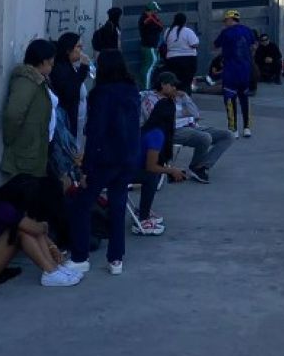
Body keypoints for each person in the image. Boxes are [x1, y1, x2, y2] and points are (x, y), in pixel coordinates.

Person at [64, 50, 141, 277]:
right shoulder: (132, 90)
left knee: (82, 204)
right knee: (117, 206)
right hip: (128, 157)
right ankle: (116, 258)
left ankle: (80, 257)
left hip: (105, 158)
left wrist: (87, 166)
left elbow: (96, 132)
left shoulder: (101, 94)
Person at [0, 176, 81, 287]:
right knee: (22, 232)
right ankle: (50, 271)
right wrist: (44, 226)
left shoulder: (5, 203)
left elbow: (34, 228)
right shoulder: (3, 208)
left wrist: (52, 246)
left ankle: (54, 268)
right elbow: (35, 228)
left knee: (27, 228)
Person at [142, 71, 234, 184]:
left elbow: (195, 114)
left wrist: (185, 97)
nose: (175, 88)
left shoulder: (179, 96)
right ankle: (196, 167)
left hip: (192, 125)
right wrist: (182, 113)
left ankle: (202, 167)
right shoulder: (150, 99)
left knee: (228, 135)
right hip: (172, 130)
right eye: (172, 85)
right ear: (163, 85)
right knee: (205, 138)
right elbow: (157, 119)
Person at [1, 39, 57, 178]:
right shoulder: (26, 82)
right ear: (43, 62)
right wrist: (10, 138)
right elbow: (13, 114)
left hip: (35, 152)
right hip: (25, 155)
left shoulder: (39, 81)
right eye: (51, 62)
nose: (52, 66)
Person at [134, 96, 186, 235]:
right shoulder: (157, 134)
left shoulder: (148, 128)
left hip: (127, 167)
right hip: (126, 172)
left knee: (154, 174)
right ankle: (143, 218)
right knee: (152, 175)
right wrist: (172, 171)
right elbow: (151, 166)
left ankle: (143, 210)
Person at [213, 10, 256, 138]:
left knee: (230, 99)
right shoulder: (248, 30)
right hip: (245, 70)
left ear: (231, 19)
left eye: (225, 21)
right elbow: (254, 46)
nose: (225, 23)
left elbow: (215, 45)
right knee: (244, 98)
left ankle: (233, 129)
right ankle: (247, 128)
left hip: (231, 70)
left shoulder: (226, 32)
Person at [48, 32, 91, 143]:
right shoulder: (60, 69)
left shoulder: (70, 66)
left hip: (75, 121)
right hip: (66, 121)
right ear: (68, 50)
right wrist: (83, 69)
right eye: (78, 47)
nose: (81, 50)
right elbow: (70, 91)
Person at [162, 12, 200, 92]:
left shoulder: (168, 31)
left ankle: (175, 97)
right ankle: (185, 97)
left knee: (175, 80)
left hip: (172, 59)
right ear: (185, 21)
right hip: (188, 60)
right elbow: (195, 44)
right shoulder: (187, 31)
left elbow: (165, 43)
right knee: (186, 81)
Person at [137, 1, 165, 88]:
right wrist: (153, 18)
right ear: (151, 10)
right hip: (150, 47)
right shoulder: (148, 19)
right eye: (155, 10)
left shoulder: (146, 18)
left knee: (146, 66)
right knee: (149, 67)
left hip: (148, 46)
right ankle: (146, 88)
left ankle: (144, 86)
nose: (156, 12)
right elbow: (160, 27)